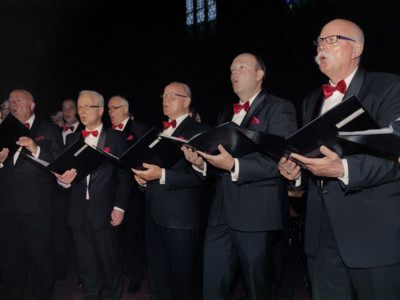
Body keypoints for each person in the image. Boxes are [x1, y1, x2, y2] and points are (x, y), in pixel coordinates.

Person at [278, 19, 400, 299]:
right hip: (321, 238)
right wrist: (295, 173)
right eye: (319, 41)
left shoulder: (389, 87)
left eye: (331, 39)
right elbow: (312, 159)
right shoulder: (310, 101)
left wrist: (342, 168)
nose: (322, 46)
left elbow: (394, 153)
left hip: (373, 232)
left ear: (356, 48)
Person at [183, 53, 297, 300]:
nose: (234, 73)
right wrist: (201, 164)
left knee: (258, 289)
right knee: (212, 286)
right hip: (219, 214)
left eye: (242, 68)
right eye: (232, 69)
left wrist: (234, 165)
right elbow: (218, 163)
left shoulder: (279, 108)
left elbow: (280, 161)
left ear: (259, 75)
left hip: (256, 215)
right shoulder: (225, 114)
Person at [132, 82, 210, 300]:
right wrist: (142, 179)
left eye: (171, 95)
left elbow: (204, 176)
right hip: (153, 218)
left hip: (181, 221)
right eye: (163, 95)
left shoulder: (200, 131)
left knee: (184, 284)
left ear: (187, 101)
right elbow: (151, 170)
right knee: (158, 282)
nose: (165, 99)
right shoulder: (157, 132)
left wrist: (162, 175)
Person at [56, 90, 132, 300]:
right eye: (79, 106)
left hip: (106, 213)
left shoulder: (116, 138)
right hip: (79, 214)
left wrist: (120, 207)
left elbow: (124, 177)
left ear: (100, 110)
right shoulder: (72, 138)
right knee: (86, 268)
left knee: (110, 266)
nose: (81, 111)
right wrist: (62, 182)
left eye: (86, 106)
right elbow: (64, 176)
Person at [0, 89, 63, 300]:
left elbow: (59, 164)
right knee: (10, 264)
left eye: (18, 100)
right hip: (7, 210)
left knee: (40, 264)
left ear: (32, 105)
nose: (13, 104)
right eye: (10, 102)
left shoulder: (49, 130)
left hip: (37, 210)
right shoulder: (3, 129)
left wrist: (36, 149)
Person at [107, 95, 149, 293]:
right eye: (108, 109)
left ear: (126, 109)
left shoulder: (140, 130)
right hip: (110, 191)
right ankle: (119, 271)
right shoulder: (107, 133)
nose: (110, 112)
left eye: (114, 108)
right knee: (115, 236)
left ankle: (134, 276)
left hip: (133, 191)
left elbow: (146, 159)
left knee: (133, 235)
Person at [52, 98, 82, 281]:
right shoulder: (55, 131)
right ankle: (60, 271)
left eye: (71, 108)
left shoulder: (84, 132)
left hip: (78, 189)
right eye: (64, 109)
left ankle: (82, 274)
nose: (67, 111)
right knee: (59, 233)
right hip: (59, 192)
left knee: (80, 235)